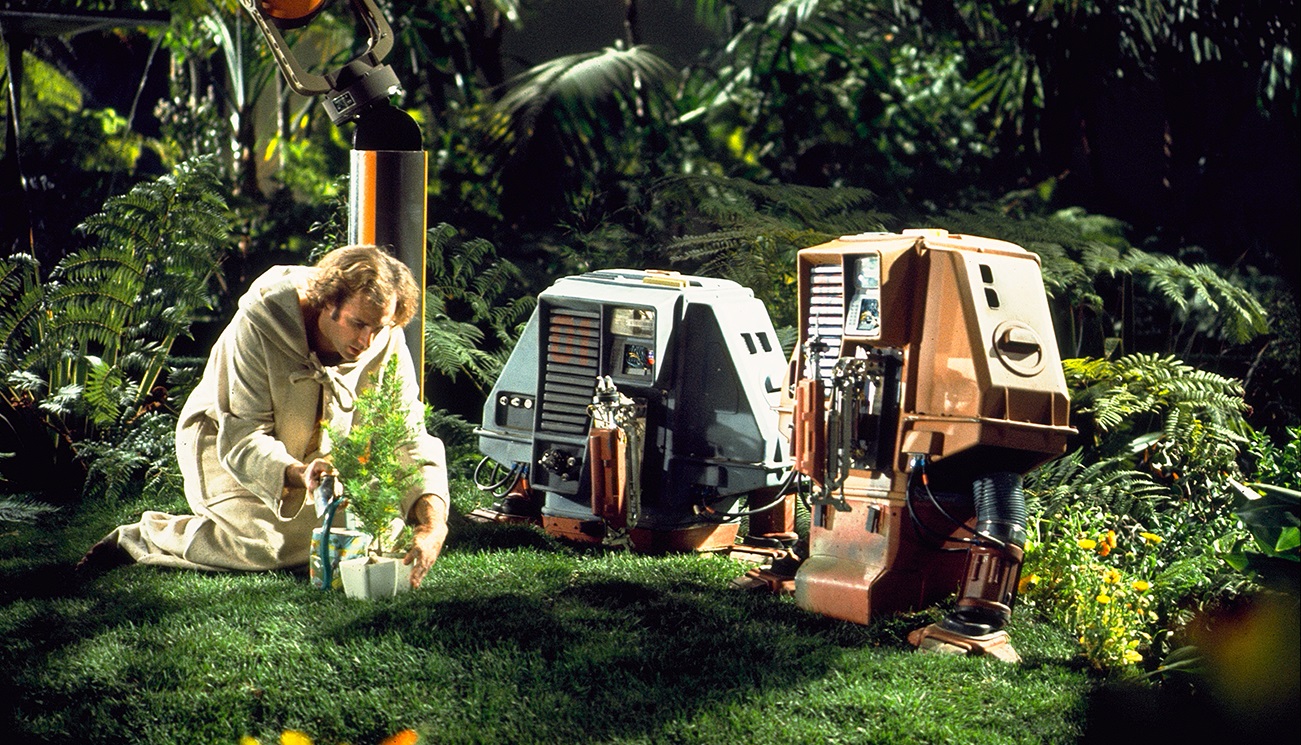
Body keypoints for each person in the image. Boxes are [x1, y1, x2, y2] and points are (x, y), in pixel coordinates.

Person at [79, 245, 449, 588]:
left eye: (379, 327)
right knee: (268, 544)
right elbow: (242, 436)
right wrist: (297, 474)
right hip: (223, 448)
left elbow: (406, 431)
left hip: (319, 462)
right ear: (327, 302)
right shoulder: (260, 324)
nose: (367, 341)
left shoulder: (384, 334)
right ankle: (142, 537)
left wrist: (434, 525)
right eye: (357, 324)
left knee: (380, 529)